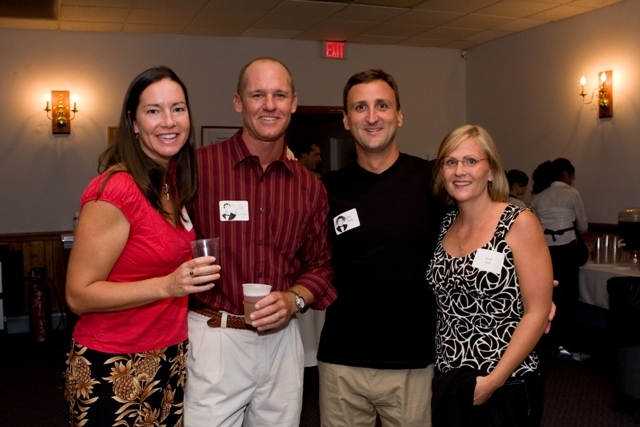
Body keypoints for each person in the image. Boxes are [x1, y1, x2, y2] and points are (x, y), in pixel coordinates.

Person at [64, 66, 220, 427]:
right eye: (153, 111)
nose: (169, 121)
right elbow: (77, 295)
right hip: (114, 362)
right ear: (133, 123)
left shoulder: (172, 182)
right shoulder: (116, 189)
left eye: (178, 109)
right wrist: (168, 285)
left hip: (169, 354)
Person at [186, 57, 336, 427]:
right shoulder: (198, 169)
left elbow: (321, 265)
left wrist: (294, 298)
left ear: (293, 102)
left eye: (279, 95)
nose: (269, 105)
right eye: (258, 94)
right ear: (239, 102)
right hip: (216, 337)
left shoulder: (309, 186)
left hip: (282, 341)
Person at [318, 69, 446, 427]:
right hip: (342, 361)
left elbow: (481, 227)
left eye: (382, 105)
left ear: (399, 115)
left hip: (413, 362)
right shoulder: (326, 190)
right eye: (360, 107)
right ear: (346, 120)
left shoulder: (435, 183)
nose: (372, 116)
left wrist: (525, 282)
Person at [427, 124, 553, 426]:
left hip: (506, 384)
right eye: (451, 161)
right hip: (450, 382)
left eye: (471, 161)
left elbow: (537, 312)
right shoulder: (443, 225)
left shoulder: (518, 222)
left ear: (492, 171)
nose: (460, 170)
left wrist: (493, 381)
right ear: (441, 172)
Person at [531, 158, 588, 361]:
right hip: (568, 248)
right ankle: (569, 343)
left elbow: (536, 226)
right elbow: (582, 226)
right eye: (572, 176)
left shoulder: (538, 196)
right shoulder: (572, 193)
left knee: (549, 295)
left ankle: (548, 341)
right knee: (570, 297)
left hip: (546, 250)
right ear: (566, 175)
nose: (573, 180)